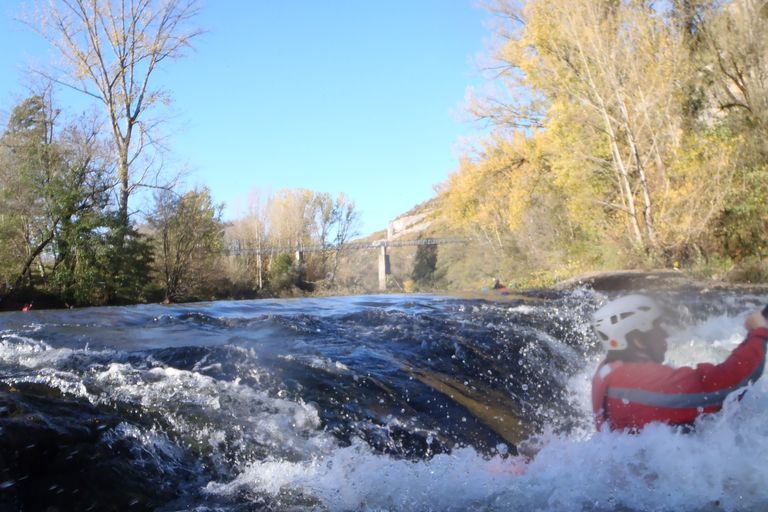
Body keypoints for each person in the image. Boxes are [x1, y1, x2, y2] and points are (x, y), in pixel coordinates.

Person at [590, 294, 768, 432]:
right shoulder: (634, 380)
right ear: (638, 339)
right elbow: (725, 386)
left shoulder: (608, 370)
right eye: (657, 328)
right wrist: (759, 331)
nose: (665, 334)